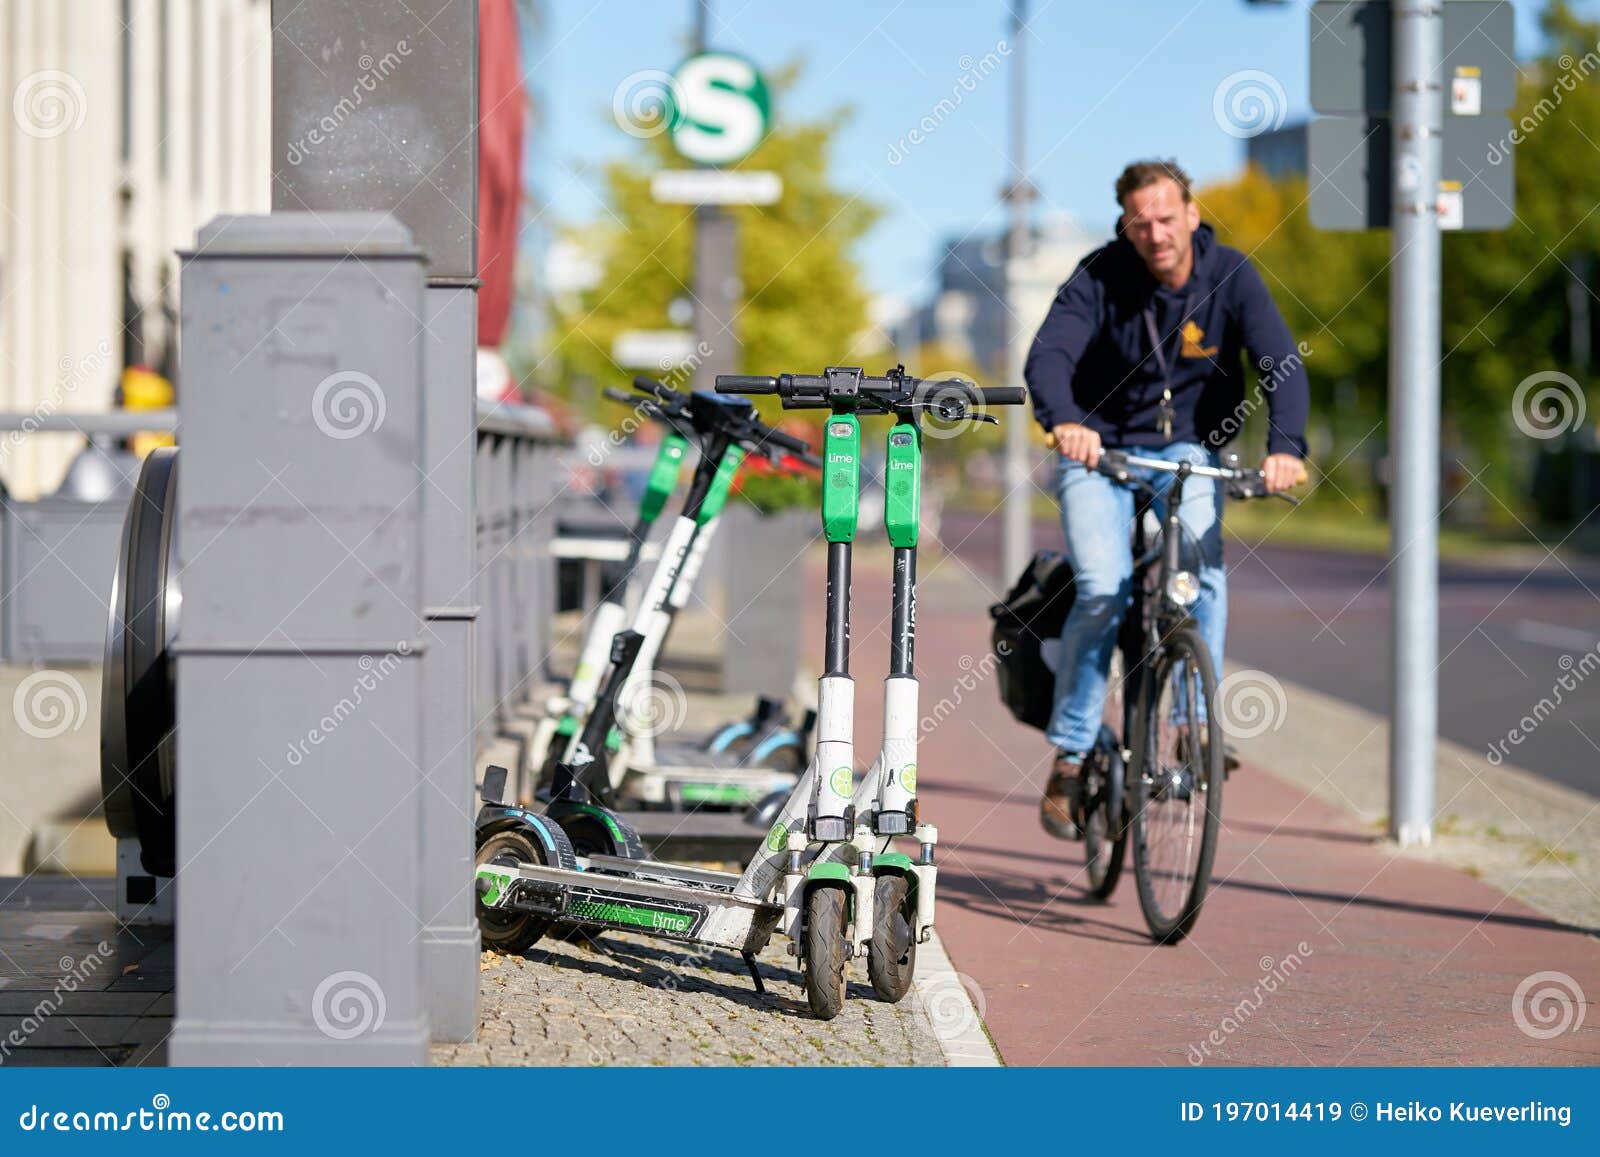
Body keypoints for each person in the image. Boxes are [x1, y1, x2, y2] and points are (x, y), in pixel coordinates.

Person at [1023, 159, 1308, 838]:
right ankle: (1072, 752)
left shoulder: (1231, 275)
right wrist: (1066, 421)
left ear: (1192, 214)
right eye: (1140, 222)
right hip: (1099, 449)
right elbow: (1048, 358)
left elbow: (1279, 362)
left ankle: (1194, 726)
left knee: (1200, 570)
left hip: (1187, 450)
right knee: (1102, 586)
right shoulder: (1098, 276)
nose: (1155, 233)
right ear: (1125, 226)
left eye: (1166, 217)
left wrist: (1286, 448)